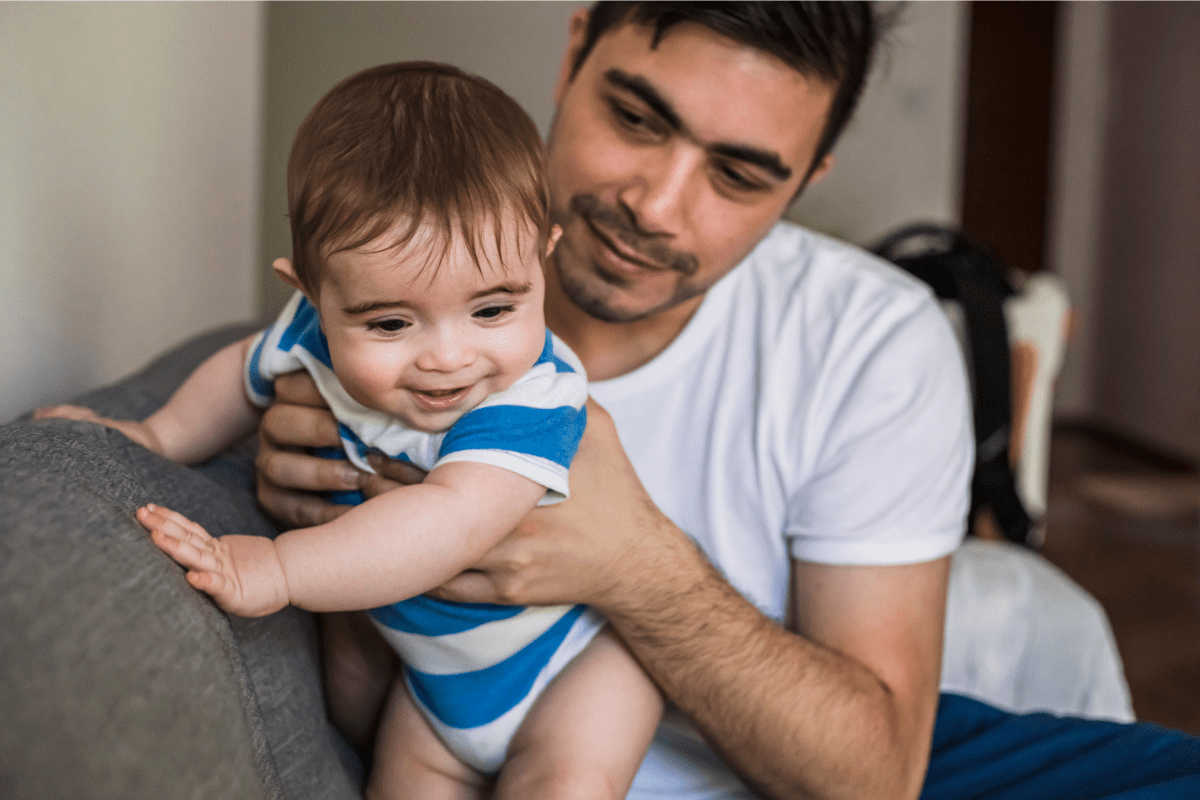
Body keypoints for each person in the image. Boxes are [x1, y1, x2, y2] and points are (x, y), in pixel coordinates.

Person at [253, 4, 1200, 800]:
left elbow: (872, 771)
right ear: (575, 48)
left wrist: (635, 563)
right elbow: (365, 712)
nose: (659, 205)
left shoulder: (873, 336)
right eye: (635, 120)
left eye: (740, 174)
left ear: (807, 179)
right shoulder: (376, 314)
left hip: (778, 754)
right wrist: (339, 525)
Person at [35, 62, 661, 800]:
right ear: (310, 294)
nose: (450, 358)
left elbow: (449, 520)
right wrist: (159, 436)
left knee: (561, 786)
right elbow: (240, 375)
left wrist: (278, 569)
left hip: (570, 669)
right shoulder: (310, 335)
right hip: (432, 696)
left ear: (541, 258)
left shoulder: (537, 397)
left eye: (493, 309)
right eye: (392, 322)